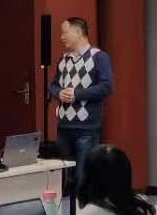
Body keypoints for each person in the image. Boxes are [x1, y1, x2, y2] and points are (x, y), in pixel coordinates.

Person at [46, 17, 113, 189]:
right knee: (64, 179)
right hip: (63, 128)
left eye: (65, 33)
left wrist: (77, 94)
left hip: (87, 129)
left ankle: (83, 206)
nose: (62, 37)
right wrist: (59, 93)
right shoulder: (64, 60)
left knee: (83, 177)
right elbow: (52, 86)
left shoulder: (99, 57)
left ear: (78, 32)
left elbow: (106, 87)